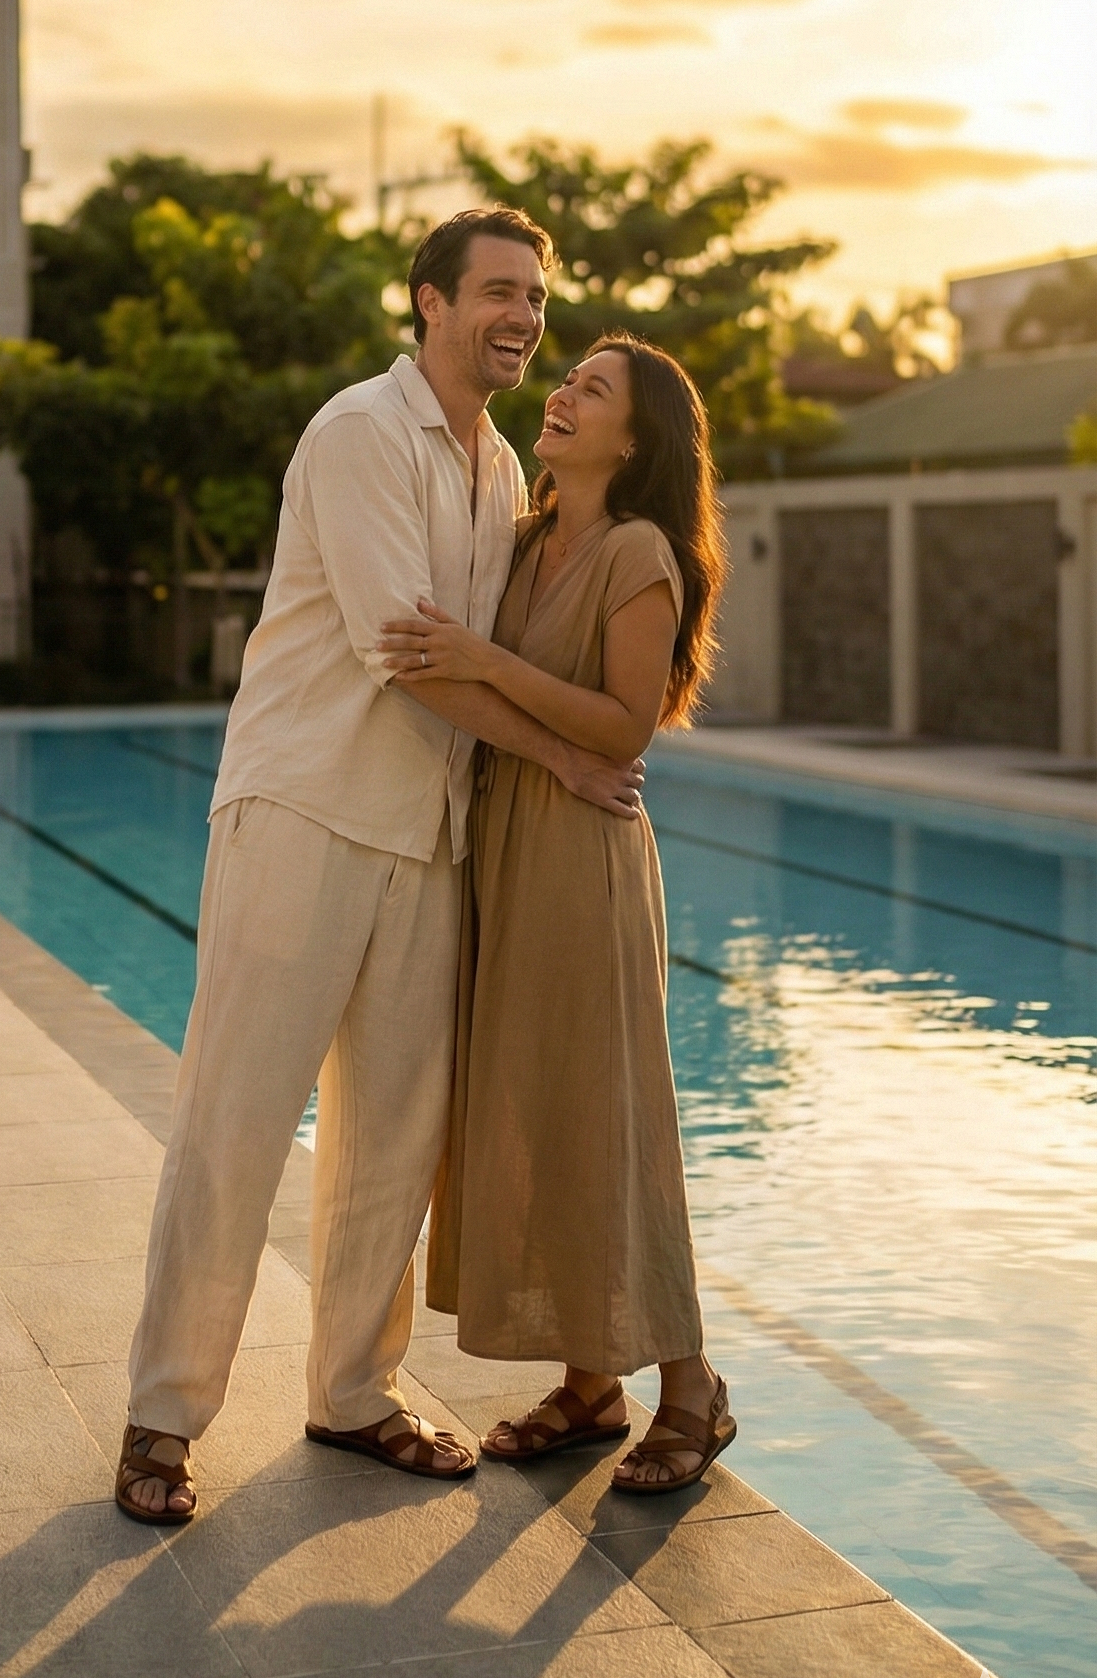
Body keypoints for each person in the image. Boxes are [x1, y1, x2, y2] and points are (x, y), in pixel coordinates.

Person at [116, 210, 646, 1523]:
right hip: (306, 810)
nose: (524, 318)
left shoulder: (502, 469)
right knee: (237, 1120)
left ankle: (354, 1391)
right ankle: (162, 1420)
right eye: (499, 292)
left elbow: (489, 655)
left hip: (431, 833)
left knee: (394, 1140)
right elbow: (406, 656)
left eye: (536, 298)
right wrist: (566, 757)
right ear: (431, 303)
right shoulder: (361, 432)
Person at [381, 332, 737, 1495]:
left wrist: (481, 659)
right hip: (508, 850)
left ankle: (693, 1388)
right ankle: (591, 1386)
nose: (565, 393)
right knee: (545, 1116)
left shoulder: (638, 552)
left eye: (595, 389)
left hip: (584, 854)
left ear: (635, 441)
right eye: (570, 377)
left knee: (610, 1119)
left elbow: (625, 726)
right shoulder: (526, 540)